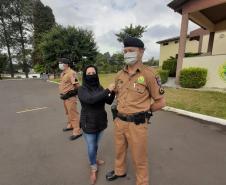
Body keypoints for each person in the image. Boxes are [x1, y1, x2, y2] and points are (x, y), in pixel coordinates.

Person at [106, 37, 166, 185]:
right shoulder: (120, 74)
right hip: (119, 121)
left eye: (131, 50)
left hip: (137, 124)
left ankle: (142, 182)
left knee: (139, 157)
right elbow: (118, 96)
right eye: (125, 51)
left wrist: (145, 112)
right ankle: (120, 171)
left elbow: (161, 102)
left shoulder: (149, 74)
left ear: (141, 52)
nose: (127, 54)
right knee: (119, 151)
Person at [78, 65, 115, 185]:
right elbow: (90, 100)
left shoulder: (100, 88)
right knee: (91, 146)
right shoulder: (81, 89)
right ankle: (93, 167)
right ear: (85, 75)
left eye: (93, 72)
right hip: (88, 122)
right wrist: (107, 91)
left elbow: (108, 101)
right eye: (88, 73)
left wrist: (113, 92)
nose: (91, 75)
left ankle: (94, 158)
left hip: (100, 121)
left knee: (95, 145)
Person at [58, 58, 82, 141]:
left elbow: (77, 86)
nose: (59, 64)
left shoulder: (71, 73)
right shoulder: (63, 73)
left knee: (73, 114)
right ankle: (70, 125)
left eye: (60, 63)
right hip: (64, 97)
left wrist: (69, 94)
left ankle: (77, 131)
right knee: (68, 113)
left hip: (70, 97)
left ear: (66, 64)